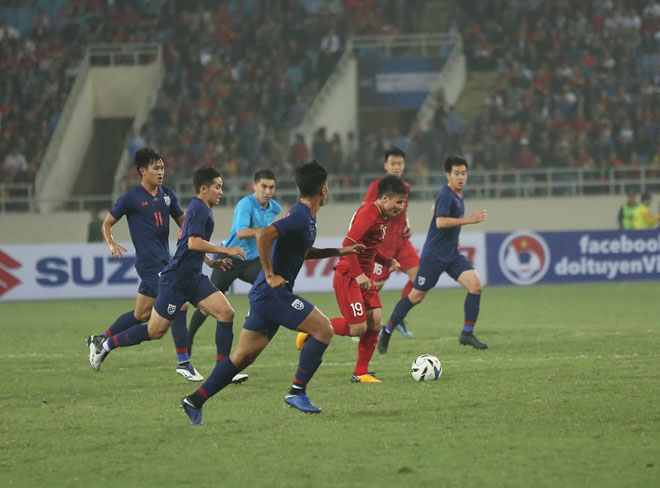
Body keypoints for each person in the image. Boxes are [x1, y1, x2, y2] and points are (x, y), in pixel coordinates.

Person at [180, 160, 364, 425]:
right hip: (272, 294)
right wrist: (269, 274)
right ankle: (297, 392)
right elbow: (264, 235)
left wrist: (337, 251)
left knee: (242, 358)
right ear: (323, 189)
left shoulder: (304, 217)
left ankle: (194, 400)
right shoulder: (300, 216)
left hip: (264, 295)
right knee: (324, 329)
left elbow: (302, 251)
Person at [87, 167, 248, 384]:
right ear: (204, 189)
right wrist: (226, 250)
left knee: (226, 313)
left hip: (193, 278)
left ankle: (223, 371)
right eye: (217, 187)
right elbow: (193, 243)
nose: (221, 191)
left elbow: (188, 243)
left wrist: (211, 262)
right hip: (176, 281)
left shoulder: (202, 209)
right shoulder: (198, 209)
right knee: (155, 331)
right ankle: (106, 345)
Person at [86, 148, 204, 380]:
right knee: (180, 303)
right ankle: (183, 362)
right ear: (143, 171)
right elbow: (107, 223)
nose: (161, 172)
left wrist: (196, 240)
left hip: (166, 262)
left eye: (162, 168)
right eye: (156, 168)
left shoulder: (167, 195)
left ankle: (100, 340)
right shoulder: (130, 198)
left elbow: (183, 221)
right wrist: (111, 243)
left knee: (141, 314)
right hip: (150, 265)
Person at [298, 175, 407, 384]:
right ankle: (313, 329)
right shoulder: (369, 213)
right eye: (398, 202)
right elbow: (348, 244)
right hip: (349, 275)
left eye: (403, 203)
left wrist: (386, 261)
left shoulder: (381, 216)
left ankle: (360, 373)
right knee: (358, 328)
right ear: (385, 198)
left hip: (364, 276)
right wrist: (358, 274)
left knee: (375, 321)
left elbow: (368, 248)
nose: (401, 207)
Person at [378, 155, 489, 354]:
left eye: (464, 173)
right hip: (435, 256)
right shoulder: (447, 194)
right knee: (416, 297)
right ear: (448, 175)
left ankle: (467, 333)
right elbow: (440, 221)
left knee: (476, 286)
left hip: (451, 254)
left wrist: (454, 236)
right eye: (456, 173)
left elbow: (436, 210)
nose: (461, 177)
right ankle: (387, 331)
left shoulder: (456, 195)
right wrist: (469, 220)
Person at [187, 169, 280, 362]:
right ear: (254, 186)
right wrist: (267, 232)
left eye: (271, 187)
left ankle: (253, 314)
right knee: (206, 307)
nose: (267, 191)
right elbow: (241, 232)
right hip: (230, 258)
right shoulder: (245, 204)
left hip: (251, 260)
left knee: (268, 283)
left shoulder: (275, 208)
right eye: (263, 186)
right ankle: (187, 341)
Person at [363, 148, 419, 338]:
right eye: (393, 163)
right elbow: (365, 210)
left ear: (404, 165)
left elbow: (403, 211)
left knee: (420, 278)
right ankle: (358, 323)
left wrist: (408, 224)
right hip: (382, 245)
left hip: (401, 242)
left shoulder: (406, 187)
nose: (396, 167)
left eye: (399, 163)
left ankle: (398, 318)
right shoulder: (377, 187)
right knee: (373, 288)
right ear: (385, 165)